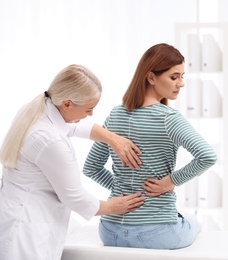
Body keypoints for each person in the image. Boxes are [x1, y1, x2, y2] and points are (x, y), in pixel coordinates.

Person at [0, 64, 145, 260]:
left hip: (2, 218)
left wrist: (112, 138)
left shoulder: (37, 110)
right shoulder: (50, 141)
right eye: (89, 109)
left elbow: (75, 125)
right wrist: (112, 207)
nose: (91, 115)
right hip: (23, 232)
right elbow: (74, 197)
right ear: (67, 104)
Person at [83, 43, 217, 250]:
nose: (181, 84)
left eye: (183, 76)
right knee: (194, 222)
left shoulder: (115, 115)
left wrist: (124, 191)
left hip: (109, 231)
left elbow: (91, 168)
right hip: (156, 233)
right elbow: (208, 156)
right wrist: (170, 182)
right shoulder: (168, 118)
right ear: (151, 77)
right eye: (174, 77)